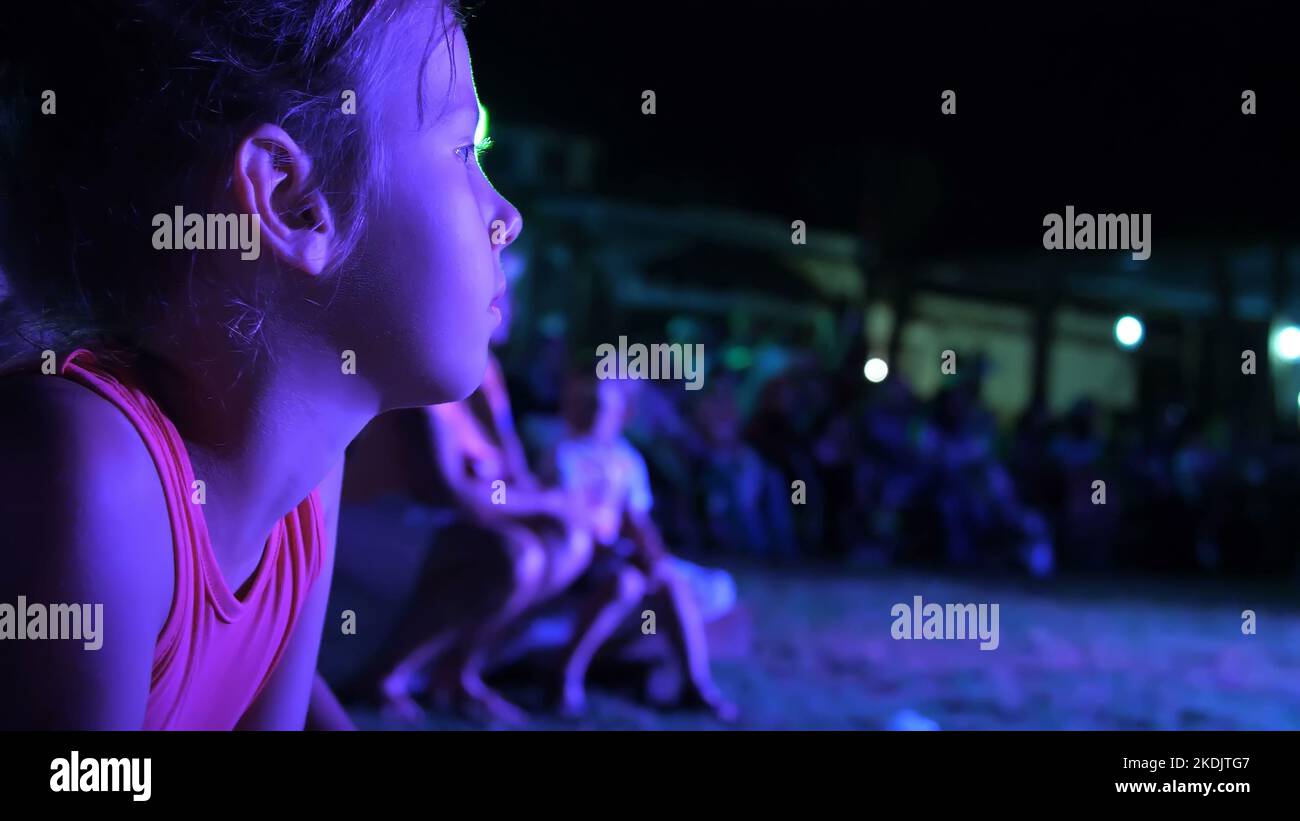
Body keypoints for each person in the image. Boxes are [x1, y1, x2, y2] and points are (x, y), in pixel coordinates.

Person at [0, 0, 522, 729]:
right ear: (291, 201)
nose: (508, 215)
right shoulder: (88, 471)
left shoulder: (305, 483)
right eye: (465, 151)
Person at [553, 377, 738, 720]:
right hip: (578, 558)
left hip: (618, 557)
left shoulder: (626, 459)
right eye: (588, 406)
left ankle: (696, 683)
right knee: (625, 583)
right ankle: (567, 675)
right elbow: (571, 517)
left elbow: (637, 519)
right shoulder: (564, 453)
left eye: (602, 408)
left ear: (620, 415)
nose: (594, 415)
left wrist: (653, 557)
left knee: (668, 580)